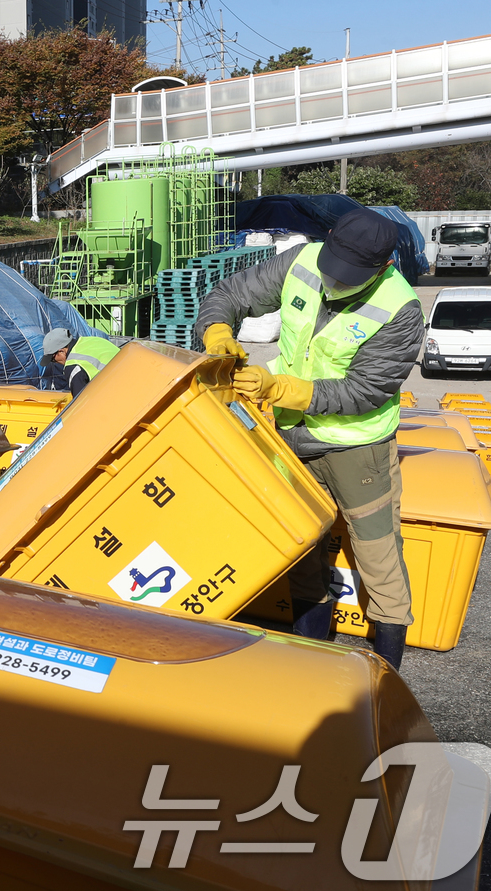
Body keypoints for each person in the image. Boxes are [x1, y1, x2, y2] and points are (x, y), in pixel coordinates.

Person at [195, 207, 424, 670]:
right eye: (331, 270)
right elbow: (230, 293)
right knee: (302, 543)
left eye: (349, 277)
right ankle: (310, 655)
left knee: (376, 552)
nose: (335, 282)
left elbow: (364, 391)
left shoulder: (401, 310)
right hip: (291, 436)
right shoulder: (302, 259)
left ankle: (387, 671)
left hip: (357, 448)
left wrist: (279, 388)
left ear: (383, 268)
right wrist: (217, 329)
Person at [39, 329, 119, 398]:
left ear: (61, 351)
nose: (56, 363)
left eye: (53, 359)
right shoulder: (94, 340)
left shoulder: (73, 366)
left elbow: (81, 405)